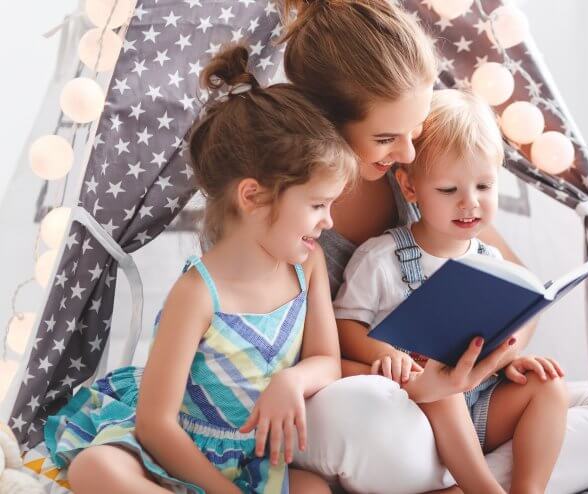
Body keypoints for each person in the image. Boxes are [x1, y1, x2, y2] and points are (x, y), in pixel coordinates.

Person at [279, 1, 588, 492]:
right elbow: (300, 361)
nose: (409, 154)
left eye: (414, 132)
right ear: (327, 122)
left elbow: (522, 297)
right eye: (388, 137)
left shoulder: (421, 178)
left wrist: (491, 363)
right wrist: (413, 378)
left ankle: (461, 486)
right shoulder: (293, 208)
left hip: (459, 403)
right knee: (365, 414)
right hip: (373, 407)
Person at [43, 45, 355, 494]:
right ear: (253, 197)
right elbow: (155, 425)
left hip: (250, 460)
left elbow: (328, 361)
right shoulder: (197, 293)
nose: (329, 222)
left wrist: (294, 379)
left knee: (316, 491)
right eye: (318, 205)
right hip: (171, 451)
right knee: (97, 469)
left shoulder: (309, 266)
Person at [337, 89, 569, 493]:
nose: (470, 204)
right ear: (410, 188)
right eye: (449, 191)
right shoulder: (380, 256)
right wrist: (386, 355)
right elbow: (344, 325)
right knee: (440, 379)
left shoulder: (491, 260)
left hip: (480, 404)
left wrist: (507, 360)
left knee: (549, 386)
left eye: (484, 186)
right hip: (420, 415)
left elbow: (497, 336)